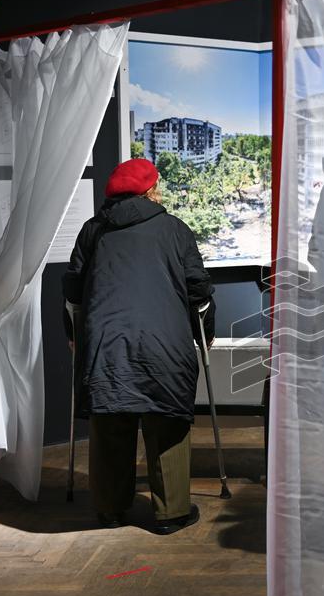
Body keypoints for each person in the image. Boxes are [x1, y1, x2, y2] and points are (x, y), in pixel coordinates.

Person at [62, 158, 215, 534]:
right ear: (151, 190)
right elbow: (200, 292)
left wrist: (75, 336)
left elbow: (73, 293)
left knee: (111, 420)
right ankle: (171, 512)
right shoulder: (175, 230)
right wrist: (205, 336)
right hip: (164, 345)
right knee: (167, 423)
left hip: (106, 344)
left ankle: (110, 508)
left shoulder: (92, 232)